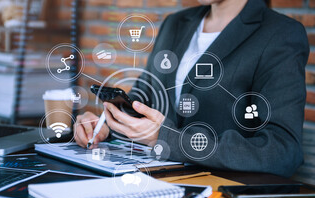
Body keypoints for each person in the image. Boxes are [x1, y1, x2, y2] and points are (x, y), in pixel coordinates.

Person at [74, 0, 309, 177]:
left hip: (223, 196)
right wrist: (106, 125)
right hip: (154, 181)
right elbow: (144, 102)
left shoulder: (280, 34)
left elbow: (282, 150)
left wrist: (167, 138)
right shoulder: (175, 23)